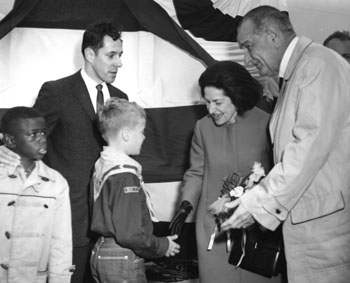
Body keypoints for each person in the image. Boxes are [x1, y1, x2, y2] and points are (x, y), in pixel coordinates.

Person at [220, 5, 350, 283]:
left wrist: (256, 204)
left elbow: (305, 151)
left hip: (325, 232)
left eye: (248, 46)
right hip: (312, 225)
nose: (246, 58)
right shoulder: (302, 70)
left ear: (273, 35)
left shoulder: (318, 65)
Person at [0, 20, 128, 283]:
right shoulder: (56, 92)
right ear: (90, 54)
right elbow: (28, 140)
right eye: (111, 55)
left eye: (120, 55)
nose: (118, 63)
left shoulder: (121, 98)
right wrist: (7, 153)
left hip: (111, 223)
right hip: (70, 219)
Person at [170, 61, 281, 283]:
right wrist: (186, 205)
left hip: (257, 226)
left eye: (218, 102)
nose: (211, 110)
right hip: (214, 229)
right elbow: (196, 172)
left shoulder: (267, 122)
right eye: (207, 102)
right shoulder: (203, 127)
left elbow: (280, 172)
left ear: (236, 96)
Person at [90, 98, 180, 283]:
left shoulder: (103, 164)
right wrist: (162, 246)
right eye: (141, 132)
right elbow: (130, 233)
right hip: (121, 255)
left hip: (102, 250)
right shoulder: (124, 175)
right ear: (126, 134)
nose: (144, 137)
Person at [0, 107, 73, 283]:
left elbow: (61, 243)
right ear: (10, 140)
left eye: (43, 133)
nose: (42, 139)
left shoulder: (56, 183)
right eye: (33, 134)